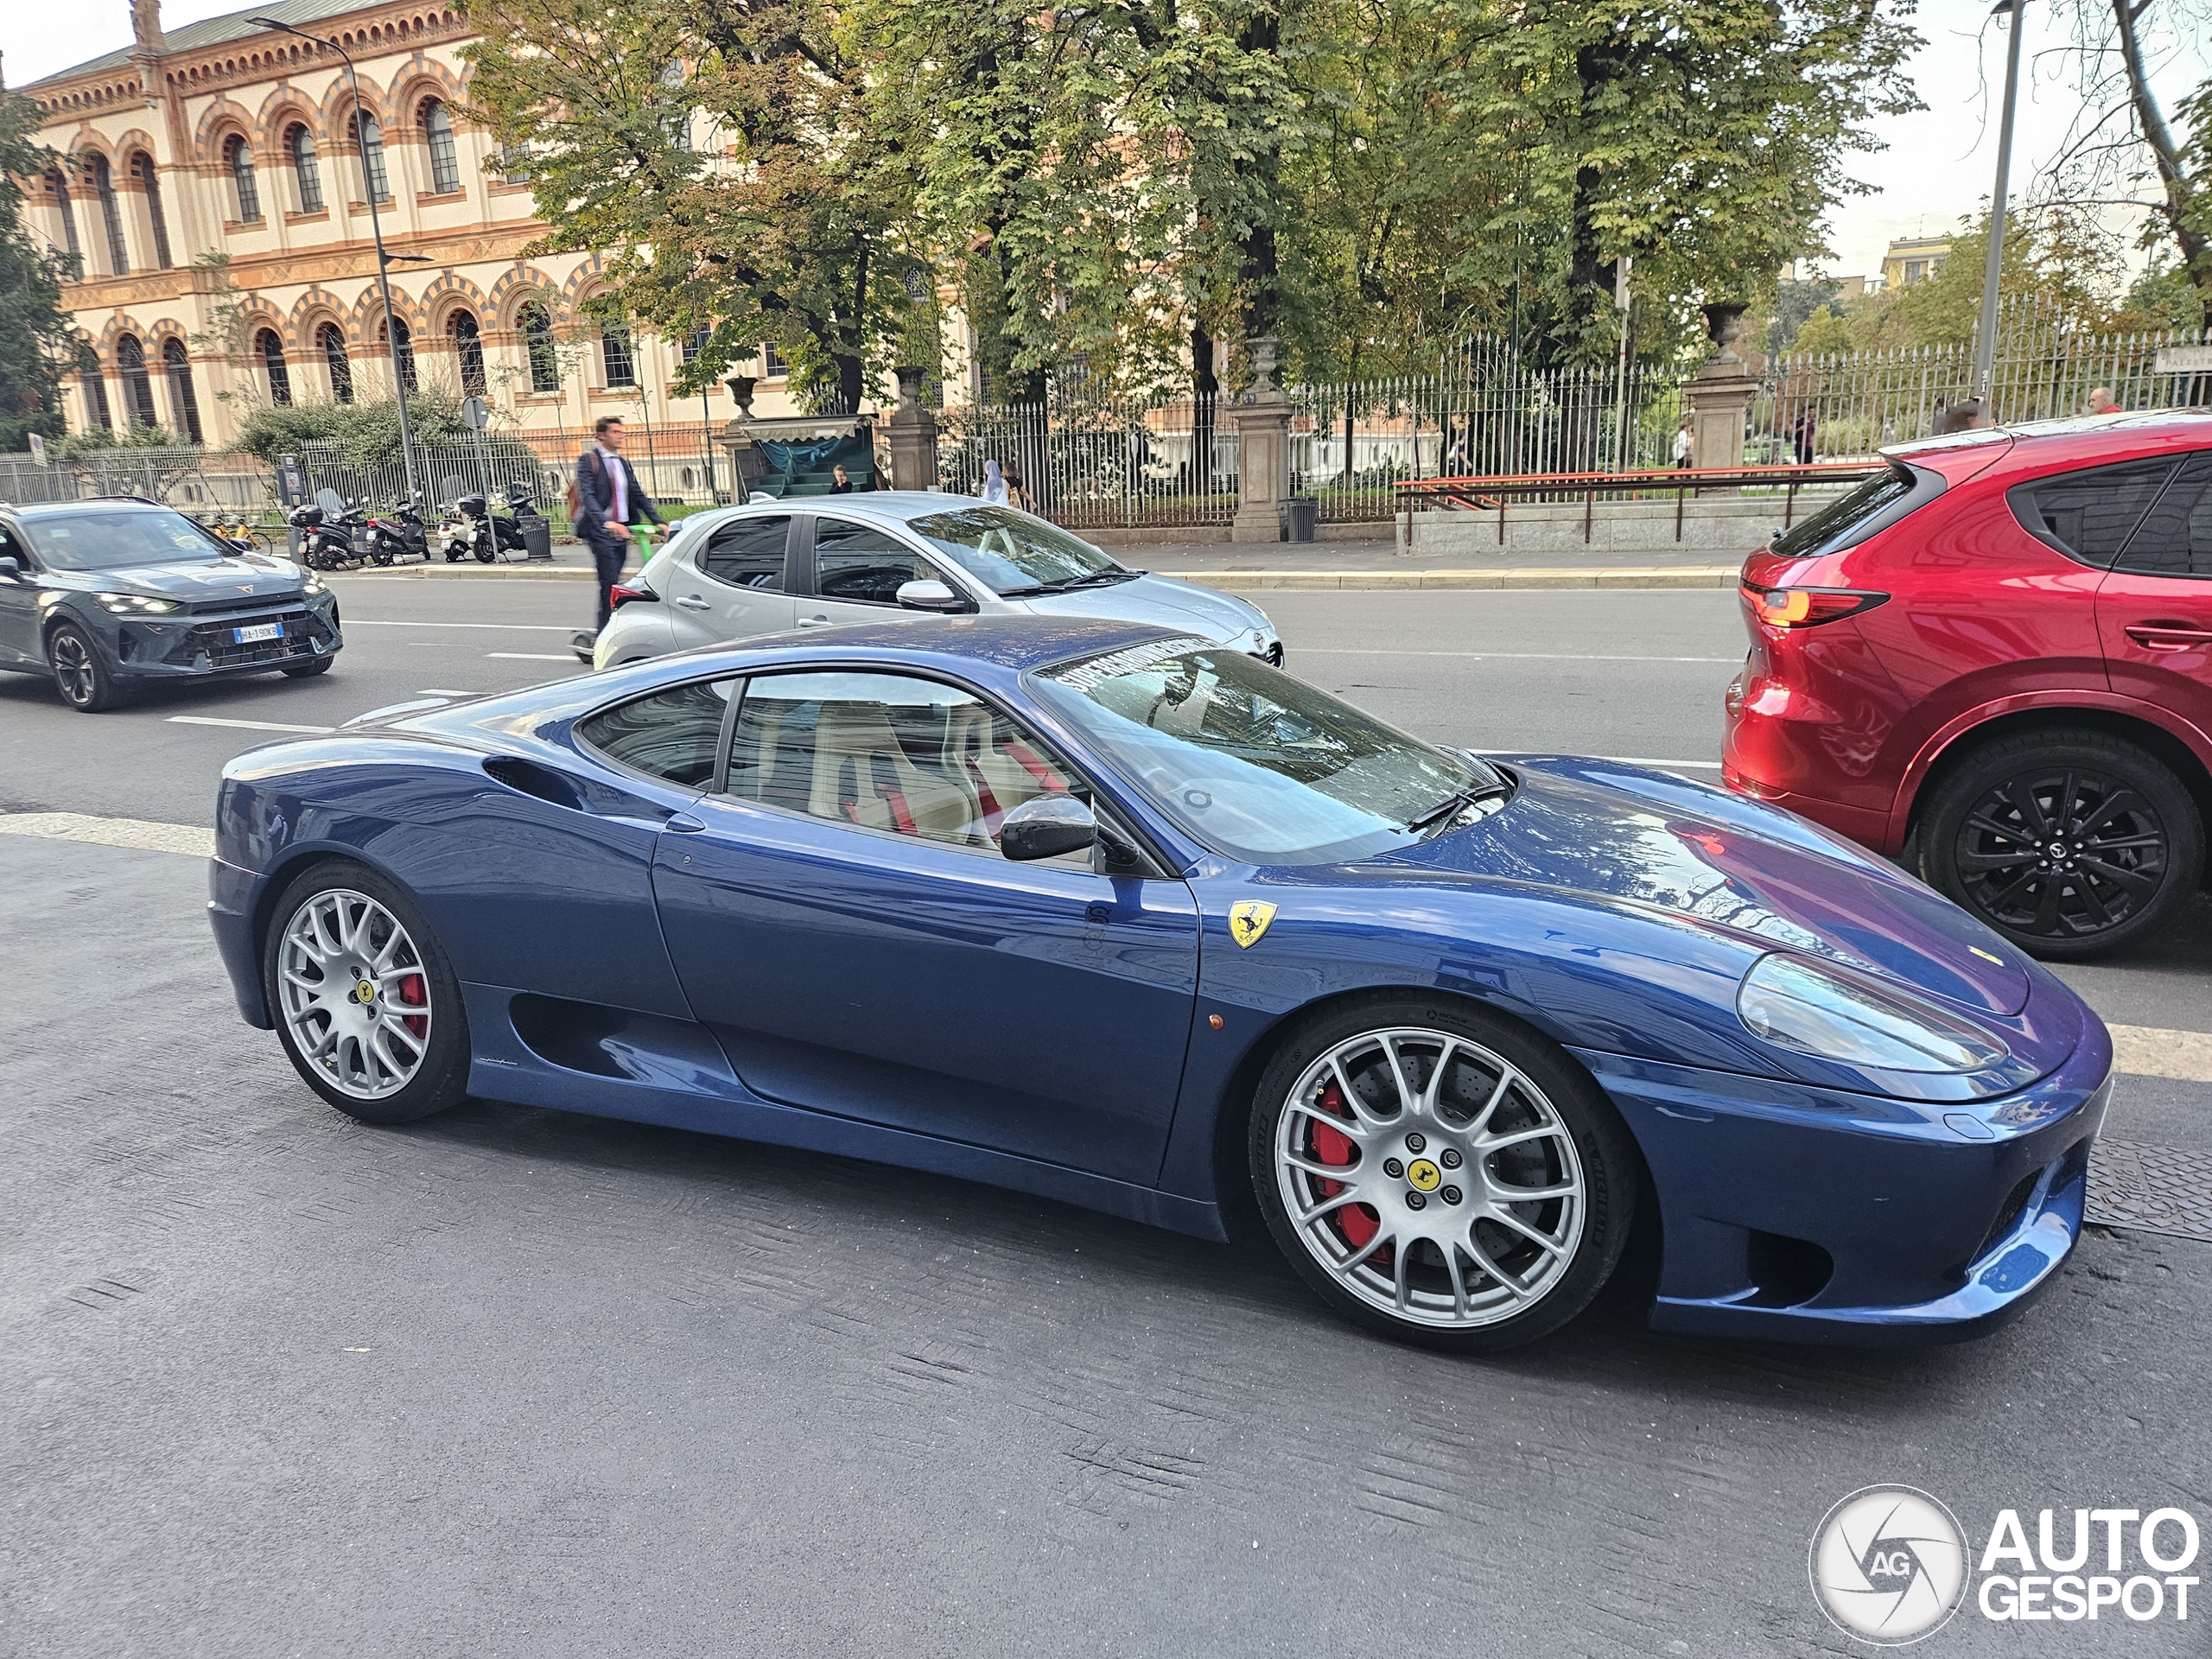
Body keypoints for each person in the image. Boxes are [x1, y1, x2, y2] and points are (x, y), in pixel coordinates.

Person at [570, 415, 665, 651]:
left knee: (621, 584)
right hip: (600, 531)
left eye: (621, 432)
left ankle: (618, 630)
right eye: (615, 432)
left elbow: (637, 493)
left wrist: (659, 522)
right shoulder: (588, 460)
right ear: (602, 435)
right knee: (610, 584)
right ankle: (603, 637)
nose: (620, 436)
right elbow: (588, 497)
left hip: (622, 531)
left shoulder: (622, 463)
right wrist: (606, 523)